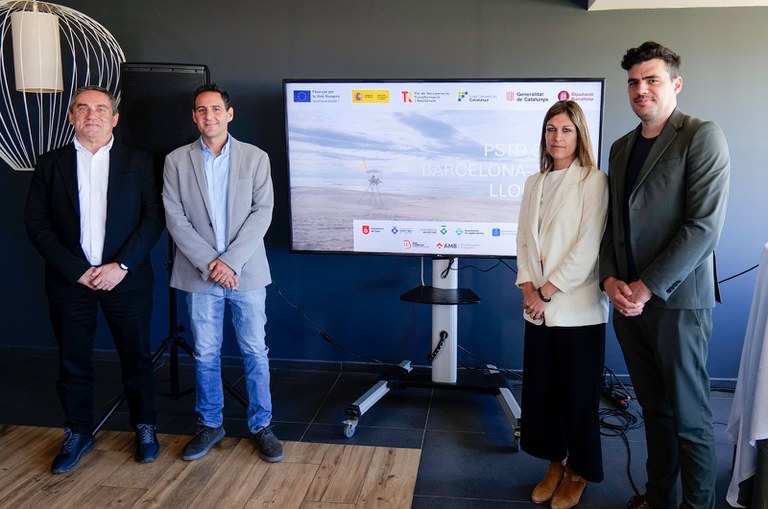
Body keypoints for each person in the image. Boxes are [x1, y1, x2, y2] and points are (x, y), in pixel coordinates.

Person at [598, 41, 730, 509]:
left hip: (678, 304)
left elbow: (703, 228)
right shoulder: (620, 148)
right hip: (627, 304)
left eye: (651, 79)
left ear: (675, 84)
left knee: (690, 420)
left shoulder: (701, 135)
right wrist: (609, 281)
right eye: (633, 82)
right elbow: (612, 225)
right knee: (653, 409)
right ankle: (659, 498)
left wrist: (646, 287)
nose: (641, 89)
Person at [24, 85, 164, 473]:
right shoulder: (49, 164)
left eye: (101, 109)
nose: (92, 115)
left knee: (137, 358)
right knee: (73, 360)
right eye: (83, 108)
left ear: (114, 118)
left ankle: (145, 426)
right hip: (71, 282)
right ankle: (78, 431)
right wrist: (77, 271)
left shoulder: (140, 161)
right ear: (71, 117)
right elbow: (37, 225)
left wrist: (121, 266)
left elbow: (153, 218)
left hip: (126, 280)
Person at [162, 83, 282, 463]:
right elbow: (175, 218)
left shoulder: (255, 158)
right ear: (194, 116)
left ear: (229, 114)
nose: (208, 116)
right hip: (199, 275)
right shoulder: (175, 161)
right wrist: (211, 264)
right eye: (201, 110)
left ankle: (261, 426)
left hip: (246, 273)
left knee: (255, 352)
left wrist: (230, 262)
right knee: (205, 353)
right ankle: (210, 424)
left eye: (215, 109)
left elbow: (262, 212)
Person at [516, 100, 609, 509]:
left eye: (566, 130)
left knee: (578, 399)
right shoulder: (533, 183)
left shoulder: (593, 180)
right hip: (537, 309)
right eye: (551, 129)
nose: (557, 137)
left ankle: (579, 472)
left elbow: (587, 248)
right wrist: (527, 288)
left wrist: (545, 293)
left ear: (579, 134)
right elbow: (523, 240)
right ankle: (555, 465)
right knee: (543, 395)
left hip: (577, 311)